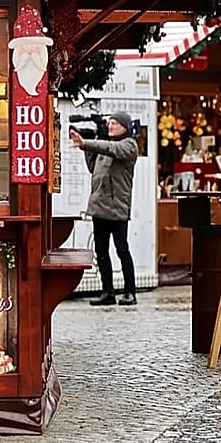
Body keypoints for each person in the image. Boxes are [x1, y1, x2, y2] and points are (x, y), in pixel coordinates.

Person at [70, 111, 139, 307]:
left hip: (117, 207)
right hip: (99, 206)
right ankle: (107, 292)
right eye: (109, 123)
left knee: (122, 249)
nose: (110, 126)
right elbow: (93, 168)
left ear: (125, 127)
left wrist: (87, 143)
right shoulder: (105, 145)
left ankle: (130, 292)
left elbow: (111, 149)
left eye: (114, 123)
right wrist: (86, 147)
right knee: (101, 251)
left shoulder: (129, 145)